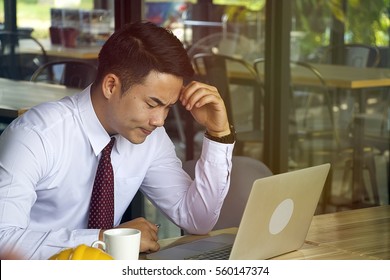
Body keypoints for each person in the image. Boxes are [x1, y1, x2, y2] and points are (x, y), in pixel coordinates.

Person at [0, 21, 235, 260]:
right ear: (111, 86)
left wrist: (219, 134)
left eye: (168, 107)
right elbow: (2, 240)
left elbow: (197, 220)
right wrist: (106, 239)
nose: (160, 120)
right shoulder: (36, 135)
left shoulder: (150, 136)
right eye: (152, 104)